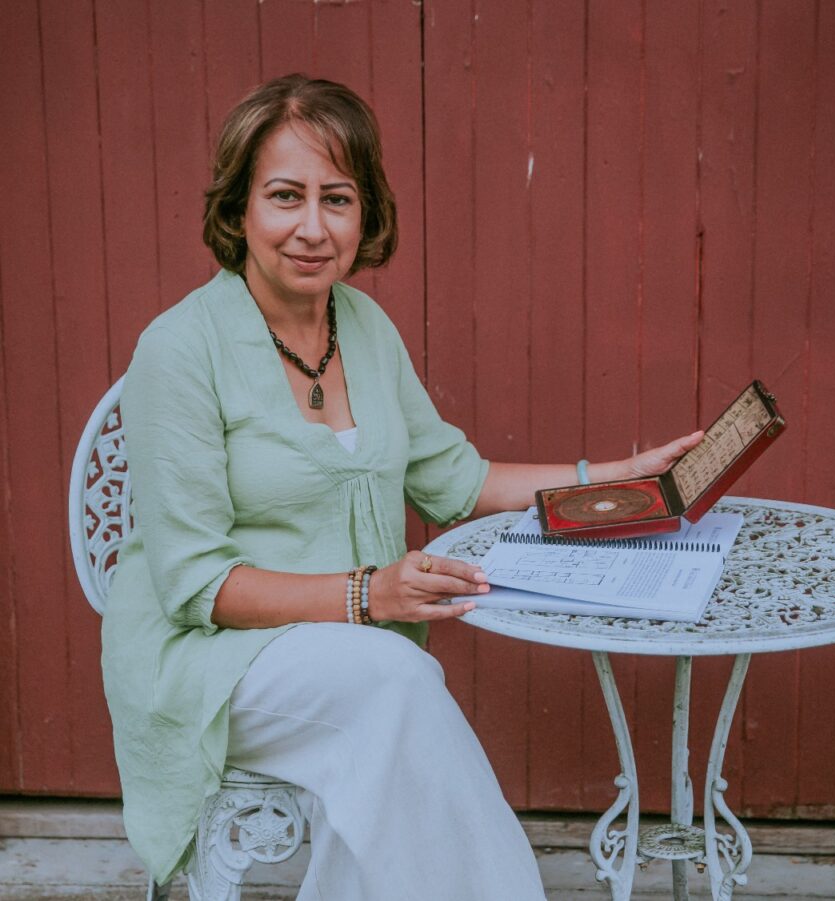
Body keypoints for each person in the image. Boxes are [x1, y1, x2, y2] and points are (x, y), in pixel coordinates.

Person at [101, 74, 704, 900]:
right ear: (239, 207)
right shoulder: (177, 351)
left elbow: (456, 479)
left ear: (364, 213)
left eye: (337, 200)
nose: (312, 228)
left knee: (389, 722)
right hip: (206, 662)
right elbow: (197, 584)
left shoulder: (365, 327)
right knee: (398, 685)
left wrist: (613, 477)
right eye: (285, 196)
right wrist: (370, 593)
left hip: (355, 658)